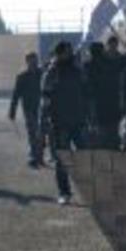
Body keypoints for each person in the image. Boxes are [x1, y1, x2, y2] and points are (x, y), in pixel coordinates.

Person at [42, 41, 87, 205]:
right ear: (60, 53)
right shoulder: (52, 72)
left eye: (71, 51)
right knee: (62, 160)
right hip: (60, 123)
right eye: (67, 51)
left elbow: (86, 91)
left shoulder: (78, 70)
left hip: (79, 121)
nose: (71, 53)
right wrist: (45, 122)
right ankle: (64, 192)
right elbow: (45, 98)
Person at [83, 41, 125, 149]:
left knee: (98, 135)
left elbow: (85, 86)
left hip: (95, 105)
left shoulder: (87, 66)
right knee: (113, 134)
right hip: (112, 104)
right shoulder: (111, 64)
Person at [9, 52, 44, 168]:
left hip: (42, 108)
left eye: (36, 60)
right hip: (29, 108)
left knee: (41, 132)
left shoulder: (43, 74)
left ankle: (39, 155)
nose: (34, 62)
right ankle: (34, 156)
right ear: (27, 62)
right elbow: (16, 94)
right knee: (32, 132)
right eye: (32, 60)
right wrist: (12, 111)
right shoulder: (22, 77)